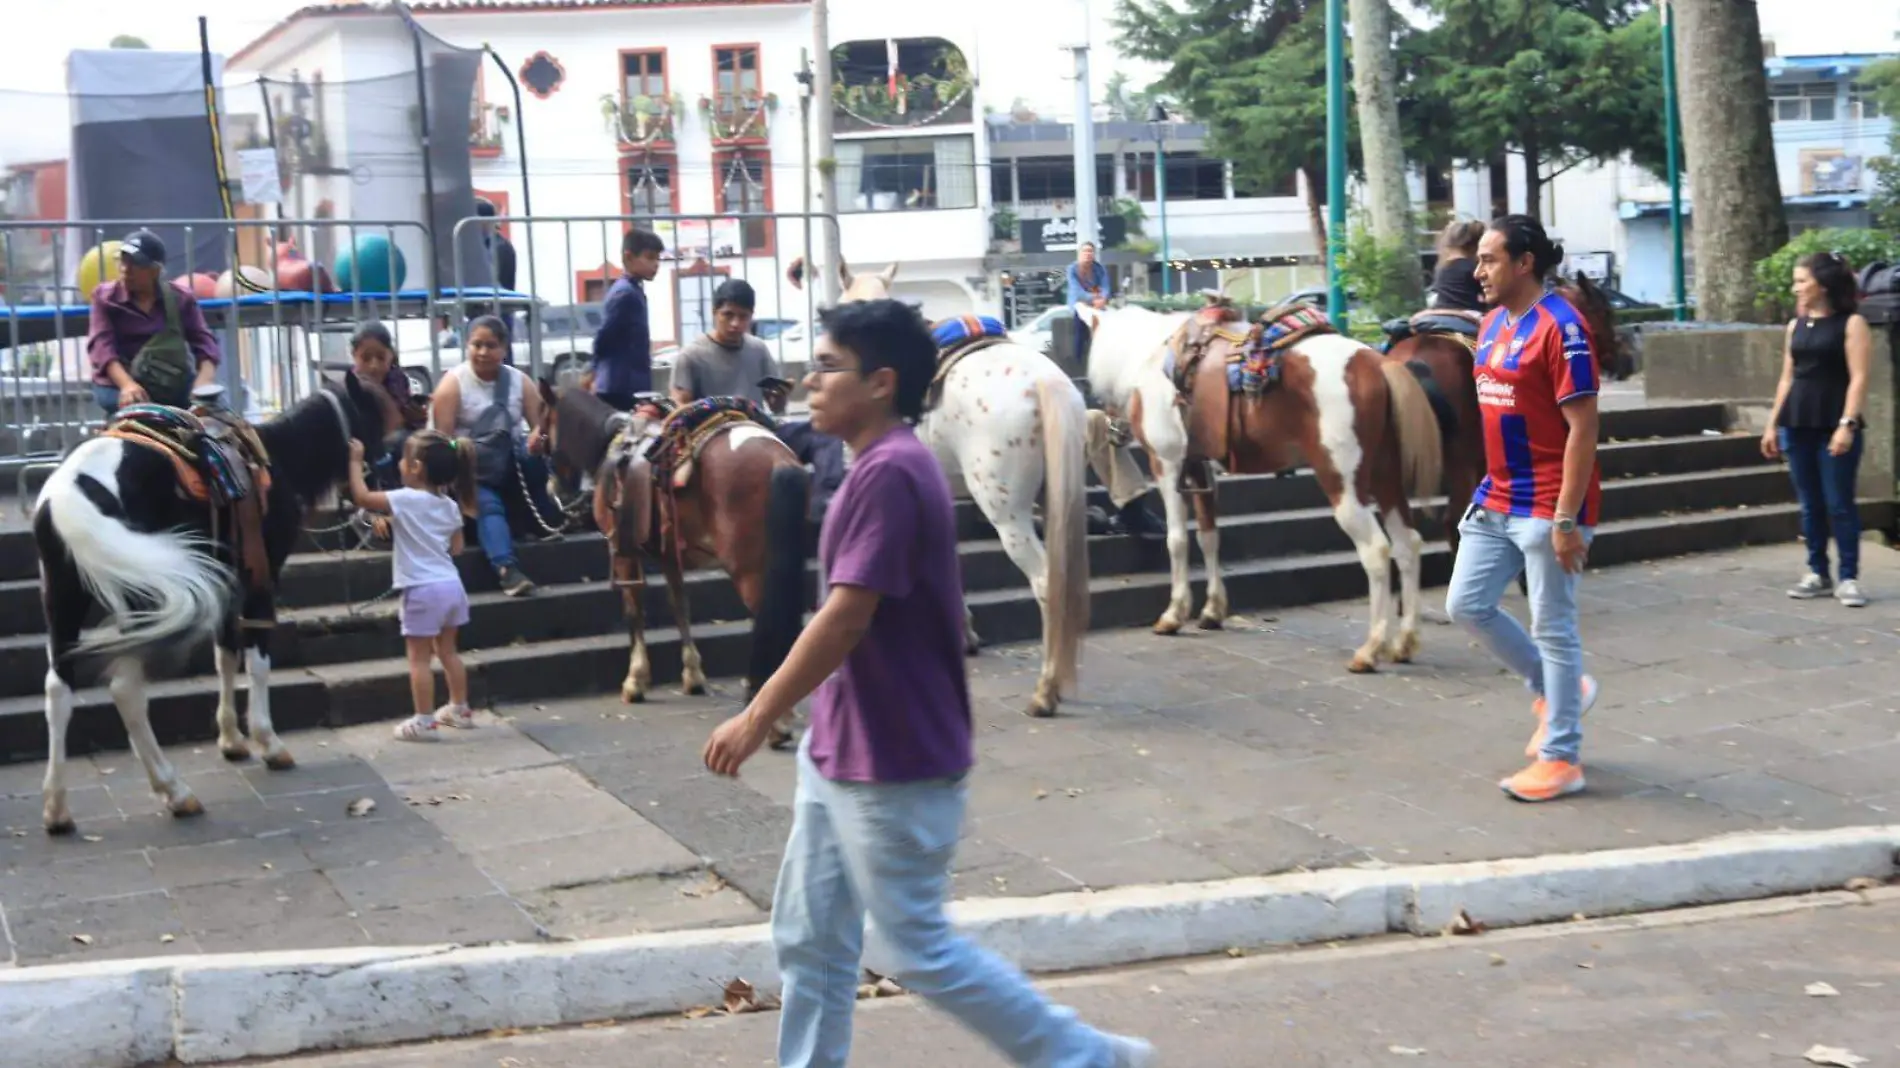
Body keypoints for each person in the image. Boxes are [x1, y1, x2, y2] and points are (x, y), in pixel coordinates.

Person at [701, 298, 1155, 1068]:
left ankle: (1086, 1059)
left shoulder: (891, 474)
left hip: (895, 760)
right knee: (809, 938)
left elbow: (845, 619)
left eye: (829, 367)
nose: (811, 380)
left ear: (880, 383)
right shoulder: (870, 464)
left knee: (918, 948)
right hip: (840, 748)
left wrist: (755, 717)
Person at [1444, 214, 1603, 804]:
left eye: (1488, 259)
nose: (1477, 270)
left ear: (1524, 263)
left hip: (1549, 500)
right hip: (1498, 494)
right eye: (1478, 259)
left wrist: (1565, 520)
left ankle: (1562, 757)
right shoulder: (1490, 324)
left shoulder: (1563, 327)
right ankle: (1557, 688)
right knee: (1466, 604)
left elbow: (1583, 428)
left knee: (1554, 626)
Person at [347, 430, 478, 741]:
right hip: (451, 587)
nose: (401, 465)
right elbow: (456, 547)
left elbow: (362, 498)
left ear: (416, 467)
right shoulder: (449, 505)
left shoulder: (404, 498)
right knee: (448, 652)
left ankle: (424, 721)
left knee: (418, 659)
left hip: (422, 590)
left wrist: (355, 461)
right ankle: (459, 709)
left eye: (404, 460)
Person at [1761, 251, 1873, 608]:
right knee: (1809, 504)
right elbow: (1787, 377)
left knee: (1839, 502)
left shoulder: (1851, 324)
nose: (1796, 288)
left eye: (1801, 281)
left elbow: (1859, 378)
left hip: (1834, 422)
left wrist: (1847, 424)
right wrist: (1772, 423)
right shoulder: (1797, 326)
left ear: (1822, 285)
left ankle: (1849, 576)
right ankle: (1817, 571)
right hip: (1797, 422)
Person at [430, 315, 559, 597]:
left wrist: (539, 438)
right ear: (467, 346)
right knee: (488, 505)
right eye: (476, 345)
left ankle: (538, 519)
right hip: (471, 472)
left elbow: (542, 423)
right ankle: (506, 569)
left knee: (533, 462)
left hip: (512, 466)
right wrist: (464, 453)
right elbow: (441, 445)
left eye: (491, 345)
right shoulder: (452, 386)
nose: (483, 352)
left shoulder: (518, 381)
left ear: (504, 348)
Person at [85, 229, 222, 413]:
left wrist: (204, 380)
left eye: (136, 264)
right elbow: (102, 348)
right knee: (143, 418)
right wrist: (127, 385)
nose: (126, 269)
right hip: (117, 385)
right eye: (123, 261)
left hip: (170, 382)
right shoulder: (105, 298)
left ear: (155, 270)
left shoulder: (180, 299)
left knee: (219, 416)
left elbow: (204, 341)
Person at [669, 278, 781, 408]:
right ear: (714, 313)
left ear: (751, 316)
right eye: (728, 315)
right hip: (711, 426)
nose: (735, 324)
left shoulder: (758, 350)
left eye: (743, 316)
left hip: (754, 425)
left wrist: (780, 396)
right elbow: (680, 407)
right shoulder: (691, 355)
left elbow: (776, 406)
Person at [589, 228, 665, 410]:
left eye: (657, 259)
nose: (655, 264)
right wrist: (592, 371)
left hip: (628, 383)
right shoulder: (625, 293)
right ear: (629, 257)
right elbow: (605, 336)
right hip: (619, 386)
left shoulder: (634, 290)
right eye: (649, 257)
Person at [1066, 241, 1112, 366]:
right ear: (1079, 254)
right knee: (1080, 326)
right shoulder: (1072, 269)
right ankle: (1078, 361)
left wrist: (1103, 298)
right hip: (1080, 303)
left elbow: (1105, 286)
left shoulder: (1099, 268)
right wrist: (1093, 299)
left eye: (1090, 251)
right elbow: (1077, 291)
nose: (1088, 254)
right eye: (1085, 251)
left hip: (1097, 301)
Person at [1429, 219, 1488, 312]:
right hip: (1468, 314)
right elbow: (1489, 296)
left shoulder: (1442, 267)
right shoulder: (1474, 268)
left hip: (1440, 313)